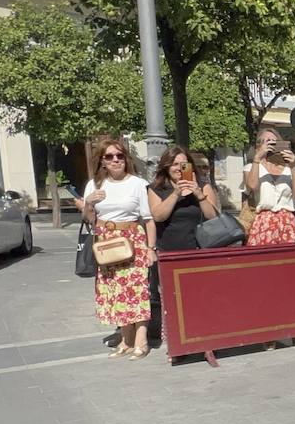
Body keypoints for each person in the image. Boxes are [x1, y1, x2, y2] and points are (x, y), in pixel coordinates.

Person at [81, 135, 157, 360]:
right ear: (102, 161)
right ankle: (126, 339)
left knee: (137, 290)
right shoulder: (94, 185)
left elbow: (149, 219)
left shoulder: (138, 184)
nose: (115, 160)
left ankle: (141, 340)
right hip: (105, 241)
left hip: (132, 238)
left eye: (119, 156)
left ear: (126, 158)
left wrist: (151, 248)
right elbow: (88, 218)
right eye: (109, 157)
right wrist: (89, 203)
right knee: (115, 290)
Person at [146, 145, 220, 344]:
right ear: (166, 166)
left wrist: (198, 194)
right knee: (172, 300)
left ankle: (203, 338)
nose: (179, 168)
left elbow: (213, 216)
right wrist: (176, 193)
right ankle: (177, 342)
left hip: (198, 250)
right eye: (175, 164)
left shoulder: (202, 185)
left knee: (200, 297)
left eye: (183, 164)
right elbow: (158, 215)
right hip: (169, 252)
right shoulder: (156, 189)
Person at [244, 127, 295, 246]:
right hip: (263, 221)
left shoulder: (288, 168)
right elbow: (252, 186)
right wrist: (257, 158)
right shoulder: (253, 167)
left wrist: (293, 166)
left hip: (288, 221)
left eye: (274, 141)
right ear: (259, 145)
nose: (271, 144)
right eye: (266, 141)